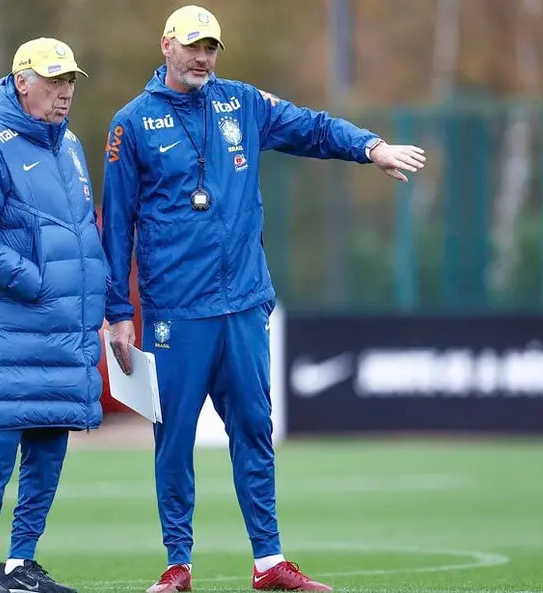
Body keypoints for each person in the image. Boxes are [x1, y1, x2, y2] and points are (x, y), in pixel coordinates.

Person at [101, 6, 425, 593]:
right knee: (173, 438)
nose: (204, 57)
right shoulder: (132, 122)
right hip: (176, 310)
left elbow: (313, 127)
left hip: (245, 304)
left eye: (212, 47)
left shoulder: (242, 103)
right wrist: (118, 313)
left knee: (254, 428)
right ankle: (178, 564)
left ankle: (269, 561)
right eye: (194, 46)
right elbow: (116, 225)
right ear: (167, 45)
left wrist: (370, 146)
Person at [0, 37, 107, 593]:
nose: (65, 93)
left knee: (49, 438)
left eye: (70, 82)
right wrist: (32, 280)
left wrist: (93, 299)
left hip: (62, 328)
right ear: (21, 82)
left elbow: (81, 234)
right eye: (54, 81)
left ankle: (21, 564)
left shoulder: (71, 146)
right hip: (13, 325)